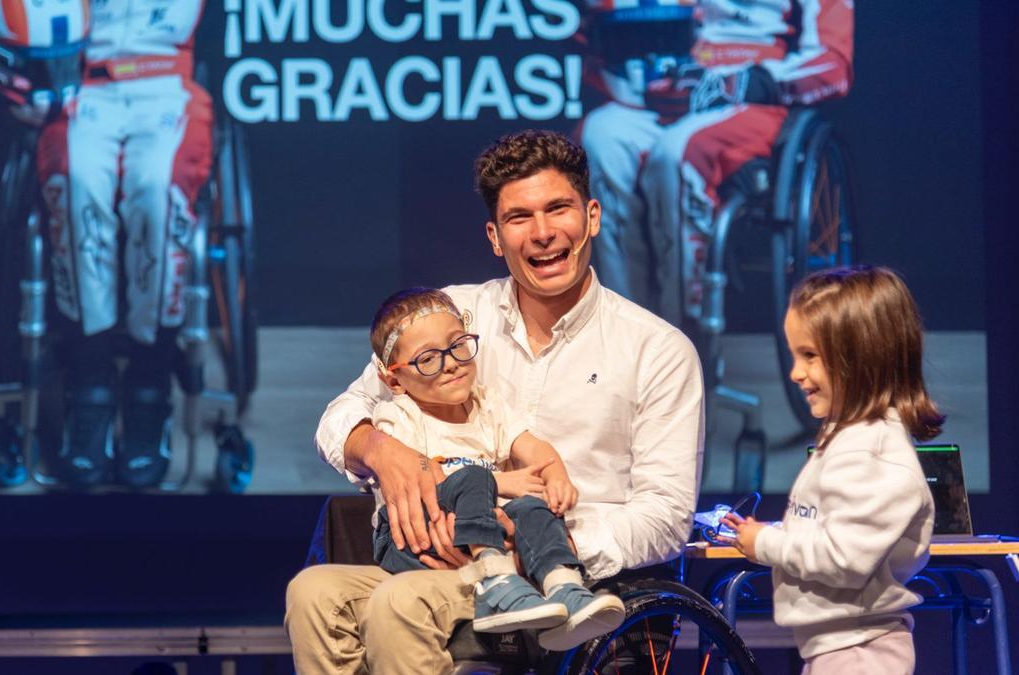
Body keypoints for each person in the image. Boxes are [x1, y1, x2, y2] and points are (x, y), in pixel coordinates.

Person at [285, 130, 704, 674]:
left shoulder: (656, 349)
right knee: (313, 591)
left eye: (559, 209)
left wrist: (540, 540)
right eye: (519, 217)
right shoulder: (449, 316)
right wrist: (380, 449)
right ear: (494, 236)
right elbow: (341, 416)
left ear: (593, 216)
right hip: (445, 566)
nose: (544, 233)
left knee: (397, 603)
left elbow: (667, 516)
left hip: (569, 578)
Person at [0, 0, 213, 488]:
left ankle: (149, 383)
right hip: (78, 88)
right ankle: (90, 383)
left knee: (156, 190)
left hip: (167, 84)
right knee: (77, 188)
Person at [366, 287, 626, 648]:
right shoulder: (398, 417)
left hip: (477, 528)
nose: (452, 362)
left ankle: (563, 586)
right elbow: (431, 473)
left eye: (458, 345)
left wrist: (555, 475)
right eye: (428, 359)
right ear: (394, 379)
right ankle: (494, 583)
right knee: (472, 478)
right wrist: (501, 481)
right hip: (414, 537)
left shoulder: (486, 405)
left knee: (532, 507)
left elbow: (532, 446)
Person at [720, 265, 941, 674]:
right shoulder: (848, 439)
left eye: (810, 356)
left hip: (863, 654)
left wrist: (766, 544)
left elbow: (843, 559)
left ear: (860, 358)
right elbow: (828, 531)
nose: (796, 373)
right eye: (794, 355)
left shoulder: (874, 453)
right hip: (838, 650)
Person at [579, 0, 854, 328]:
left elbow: (833, 65)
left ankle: (681, 341)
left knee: (677, 153)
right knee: (601, 137)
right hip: (667, 86)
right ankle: (624, 331)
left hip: (753, 96)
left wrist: (746, 84)